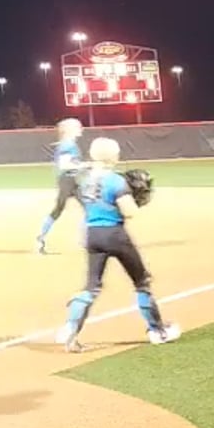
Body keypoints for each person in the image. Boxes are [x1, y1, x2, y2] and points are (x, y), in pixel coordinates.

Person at [54, 137, 178, 352]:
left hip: (92, 234)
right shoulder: (115, 181)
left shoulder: (85, 181)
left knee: (91, 287)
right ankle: (157, 331)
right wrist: (137, 201)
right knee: (141, 282)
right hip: (115, 235)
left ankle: (70, 329)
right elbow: (129, 211)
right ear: (113, 157)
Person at [36, 118, 86, 254]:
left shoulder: (69, 144)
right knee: (58, 209)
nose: (81, 129)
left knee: (89, 207)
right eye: (78, 127)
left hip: (72, 180)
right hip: (66, 180)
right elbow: (65, 165)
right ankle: (40, 238)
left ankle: (84, 240)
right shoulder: (67, 145)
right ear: (70, 130)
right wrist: (83, 166)